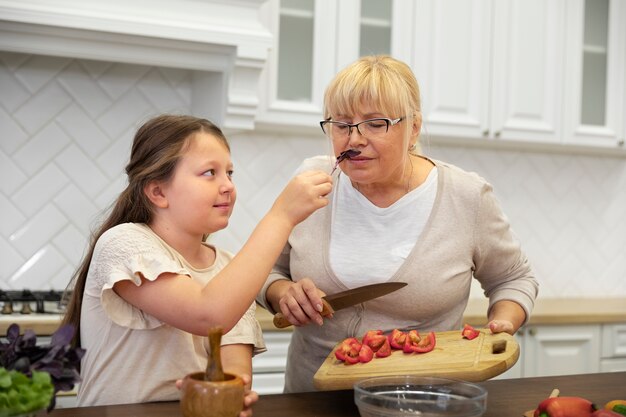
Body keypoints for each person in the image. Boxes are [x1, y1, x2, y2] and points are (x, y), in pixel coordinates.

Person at [256, 55, 539, 393]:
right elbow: (264, 270)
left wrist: (504, 321)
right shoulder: (310, 182)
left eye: (376, 124)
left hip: (423, 398)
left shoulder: (466, 196)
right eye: (342, 124)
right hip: (312, 398)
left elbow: (514, 277)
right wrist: (282, 293)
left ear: (414, 127)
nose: (355, 139)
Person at [61, 114, 333, 411]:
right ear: (158, 192)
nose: (228, 185)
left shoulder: (230, 272)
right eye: (209, 173)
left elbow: (235, 377)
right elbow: (208, 314)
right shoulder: (123, 244)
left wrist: (229, 397)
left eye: (229, 173)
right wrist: (281, 216)